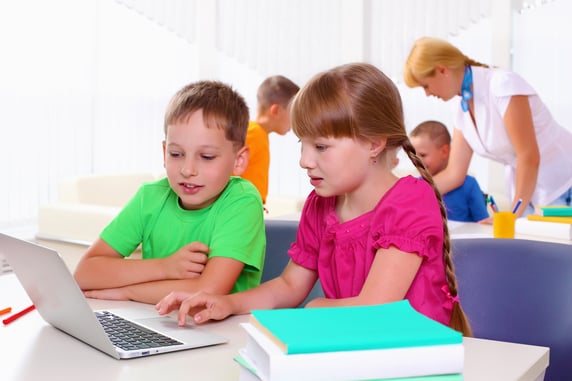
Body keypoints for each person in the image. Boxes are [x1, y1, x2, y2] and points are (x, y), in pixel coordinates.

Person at [156, 63, 473, 336]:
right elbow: (289, 286)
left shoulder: (410, 202)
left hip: (414, 358)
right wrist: (228, 303)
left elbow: (375, 310)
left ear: (374, 144)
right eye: (302, 144)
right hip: (353, 351)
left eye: (320, 147)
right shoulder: (320, 204)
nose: (305, 160)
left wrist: (316, 307)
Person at [73, 80, 266, 305]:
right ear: (165, 151)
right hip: (152, 320)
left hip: (221, 333)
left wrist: (128, 293)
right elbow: (85, 274)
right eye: (176, 154)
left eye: (207, 157)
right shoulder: (150, 196)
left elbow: (208, 291)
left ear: (239, 160)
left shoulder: (242, 201)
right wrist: (165, 267)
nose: (187, 170)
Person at [404, 36, 572, 217]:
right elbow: (454, 174)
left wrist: (512, 217)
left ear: (442, 70)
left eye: (426, 86)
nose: (427, 94)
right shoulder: (461, 108)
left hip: (563, 184)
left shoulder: (503, 85)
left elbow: (528, 156)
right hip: (531, 194)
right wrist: (408, 194)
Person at [410, 120, 489, 222]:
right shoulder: (416, 185)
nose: (416, 161)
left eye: (422, 155)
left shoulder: (469, 185)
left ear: (444, 151)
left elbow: (483, 223)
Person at [238, 75, 300, 205]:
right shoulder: (254, 133)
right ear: (276, 110)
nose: (295, 120)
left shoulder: (258, 133)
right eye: (293, 113)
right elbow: (226, 171)